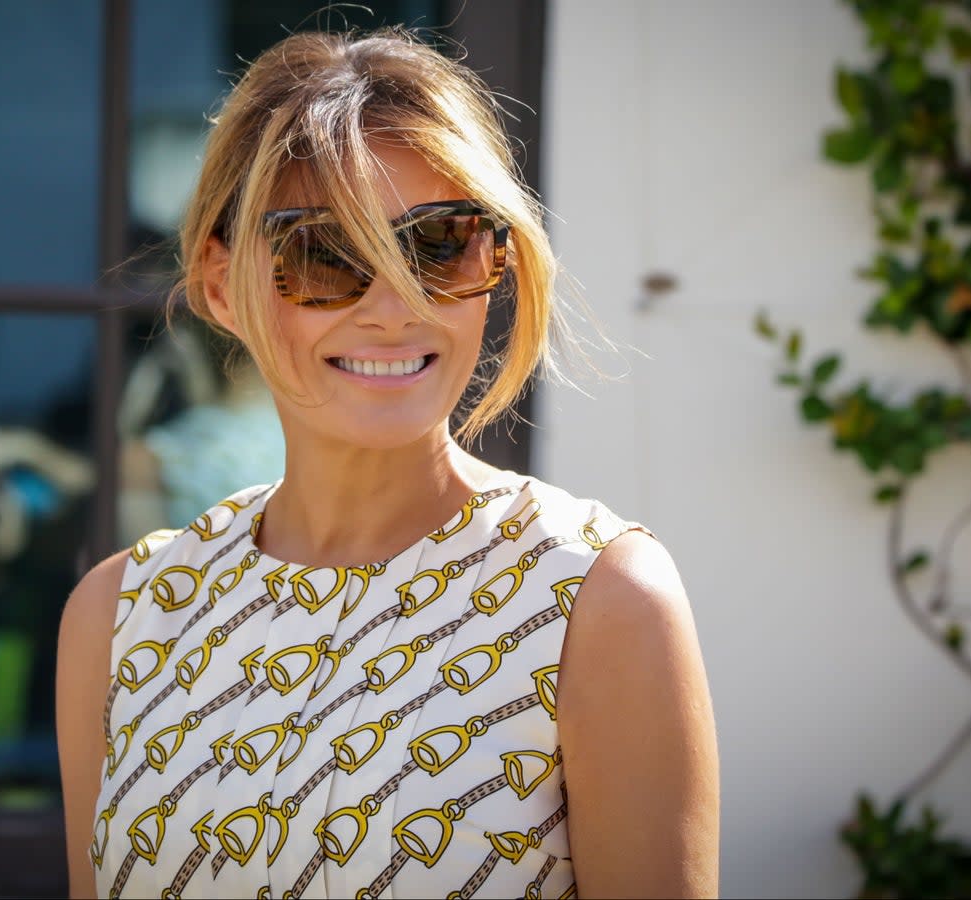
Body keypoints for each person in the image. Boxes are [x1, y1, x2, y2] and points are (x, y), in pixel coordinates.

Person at [55, 26, 720, 900]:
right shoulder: (122, 617)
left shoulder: (597, 600)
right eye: (323, 254)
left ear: (497, 258)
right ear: (221, 283)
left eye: (440, 243)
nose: (393, 306)